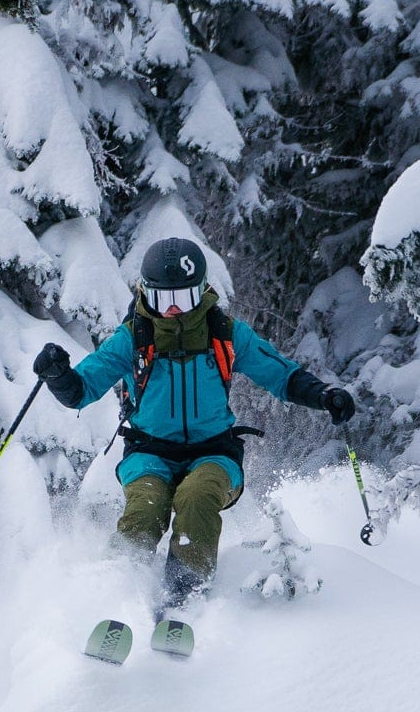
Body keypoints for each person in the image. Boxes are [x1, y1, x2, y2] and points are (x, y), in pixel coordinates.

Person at [34, 236, 355, 609]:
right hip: (149, 452)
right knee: (145, 508)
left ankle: (183, 598)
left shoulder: (225, 333)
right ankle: (115, 595)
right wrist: (59, 376)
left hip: (214, 452)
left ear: (202, 291)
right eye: (162, 299)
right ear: (145, 294)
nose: (172, 310)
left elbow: (280, 374)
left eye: (183, 299)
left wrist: (323, 395)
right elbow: (82, 388)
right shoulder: (132, 339)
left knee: (197, 497)